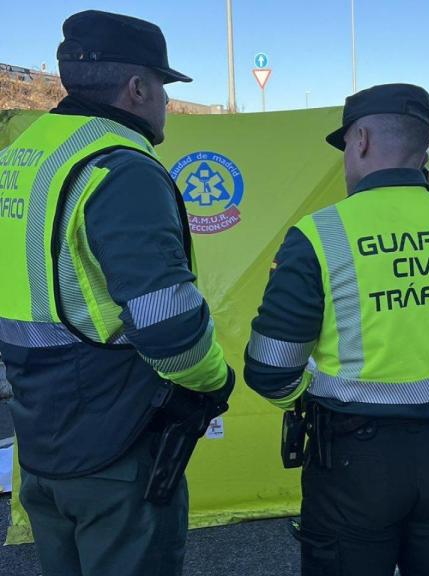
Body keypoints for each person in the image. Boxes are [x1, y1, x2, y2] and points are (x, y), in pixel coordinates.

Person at [0, 10, 233, 576]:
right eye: (162, 86)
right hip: (115, 443)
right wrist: (214, 380)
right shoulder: (120, 167)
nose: (166, 102)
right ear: (137, 88)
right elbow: (167, 324)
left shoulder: (21, 158)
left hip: (40, 435)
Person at [244, 83, 429, 576]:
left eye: (345, 146)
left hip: (352, 461)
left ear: (360, 140)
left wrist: (307, 398)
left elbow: (271, 370)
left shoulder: (320, 234)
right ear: (424, 146)